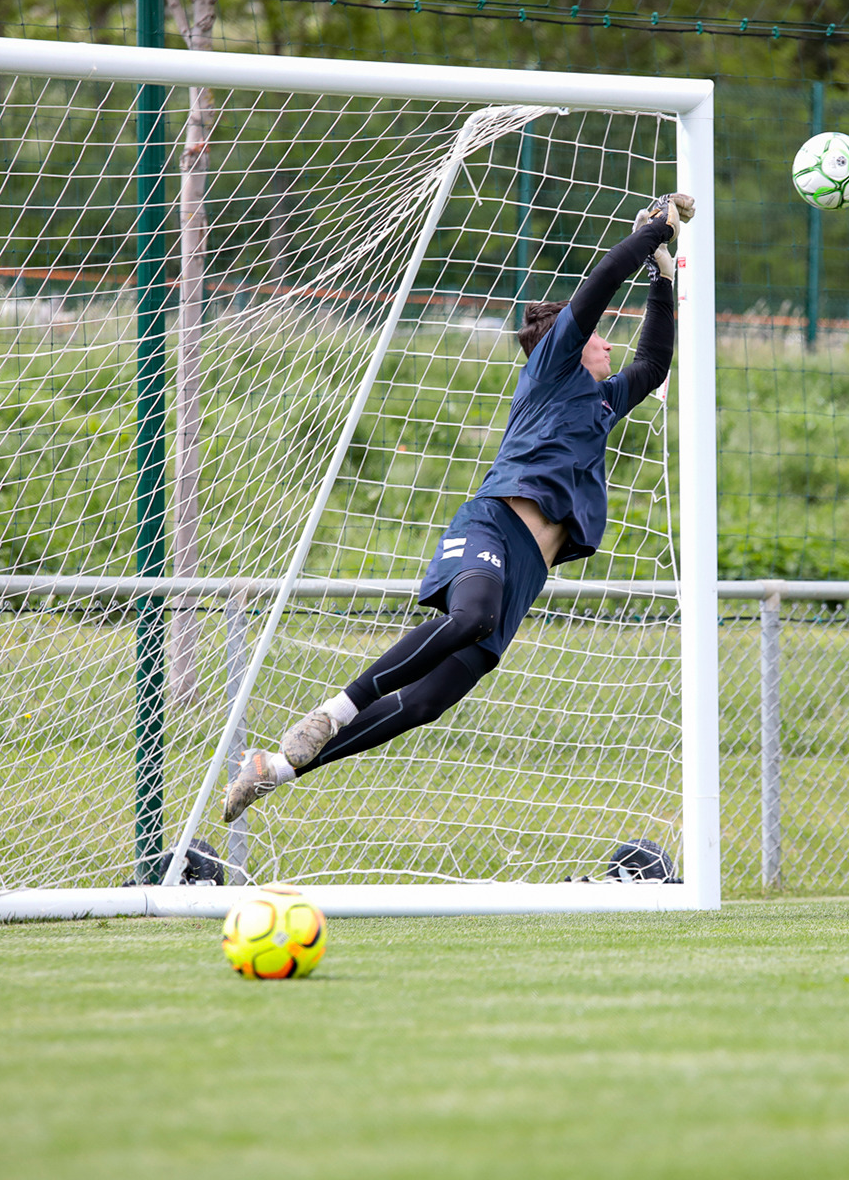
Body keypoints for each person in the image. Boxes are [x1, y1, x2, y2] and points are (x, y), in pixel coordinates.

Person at [222, 193, 695, 823]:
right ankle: (335, 709)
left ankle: (275, 768)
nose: (608, 344)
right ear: (570, 340)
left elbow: (654, 363)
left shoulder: (603, 403)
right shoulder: (552, 368)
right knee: (472, 616)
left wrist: (663, 276)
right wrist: (651, 232)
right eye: (598, 336)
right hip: (493, 524)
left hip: (528, 570)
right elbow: (603, 279)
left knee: (427, 704)